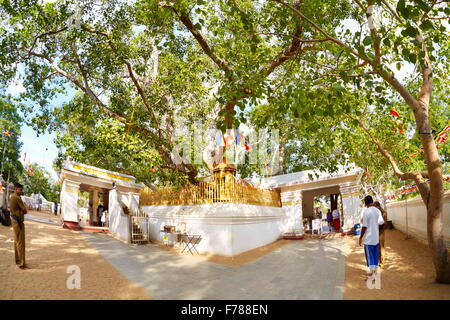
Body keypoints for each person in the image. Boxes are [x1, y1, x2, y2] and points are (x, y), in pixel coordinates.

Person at [359, 195, 385, 280]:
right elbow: (381, 222)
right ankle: (374, 274)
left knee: (370, 258)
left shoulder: (366, 212)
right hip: (376, 238)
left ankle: (373, 276)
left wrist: (360, 237)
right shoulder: (377, 211)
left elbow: (364, 226)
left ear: (366, 203)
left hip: (368, 239)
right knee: (375, 256)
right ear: (372, 202)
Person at [9, 183, 28, 269]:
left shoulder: (12, 196)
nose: (21, 191)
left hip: (14, 220)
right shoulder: (17, 198)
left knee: (16, 241)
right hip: (18, 221)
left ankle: (17, 260)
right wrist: (23, 208)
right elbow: (25, 210)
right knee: (20, 242)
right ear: (16, 189)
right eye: (20, 190)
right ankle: (21, 263)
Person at [374, 201, 388, 268]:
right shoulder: (376, 212)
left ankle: (382, 262)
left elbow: (384, 223)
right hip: (376, 231)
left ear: (378, 206)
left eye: (375, 206)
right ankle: (379, 260)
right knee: (377, 246)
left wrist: (377, 225)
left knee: (381, 247)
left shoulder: (384, 213)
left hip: (381, 232)